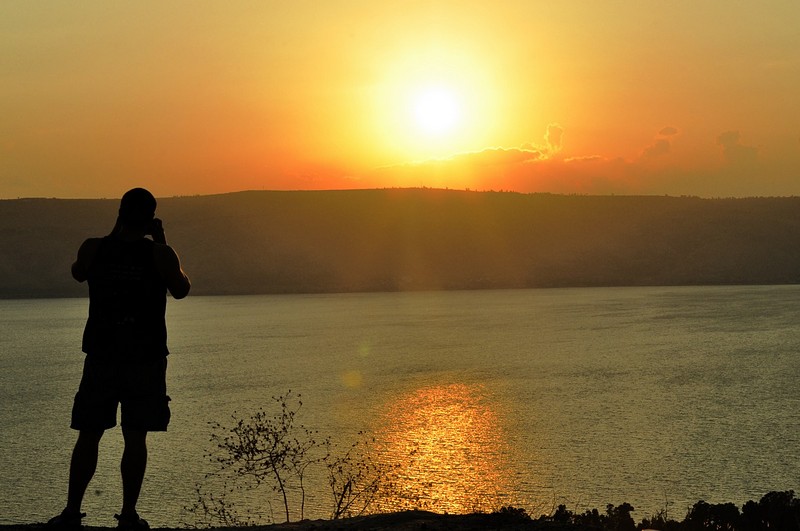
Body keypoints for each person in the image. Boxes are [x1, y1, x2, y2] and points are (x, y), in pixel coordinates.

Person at [48, 188, 191, 530]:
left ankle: (71, 513)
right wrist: (162, 241)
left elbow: (78, 272)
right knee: (135, 436)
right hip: (145, 358)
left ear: (120, 212)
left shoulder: (94, 247)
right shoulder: (159, 254)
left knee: (89, 433)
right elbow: (181, 288)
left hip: (102, 355)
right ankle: (128, 515)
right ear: (150, 217)